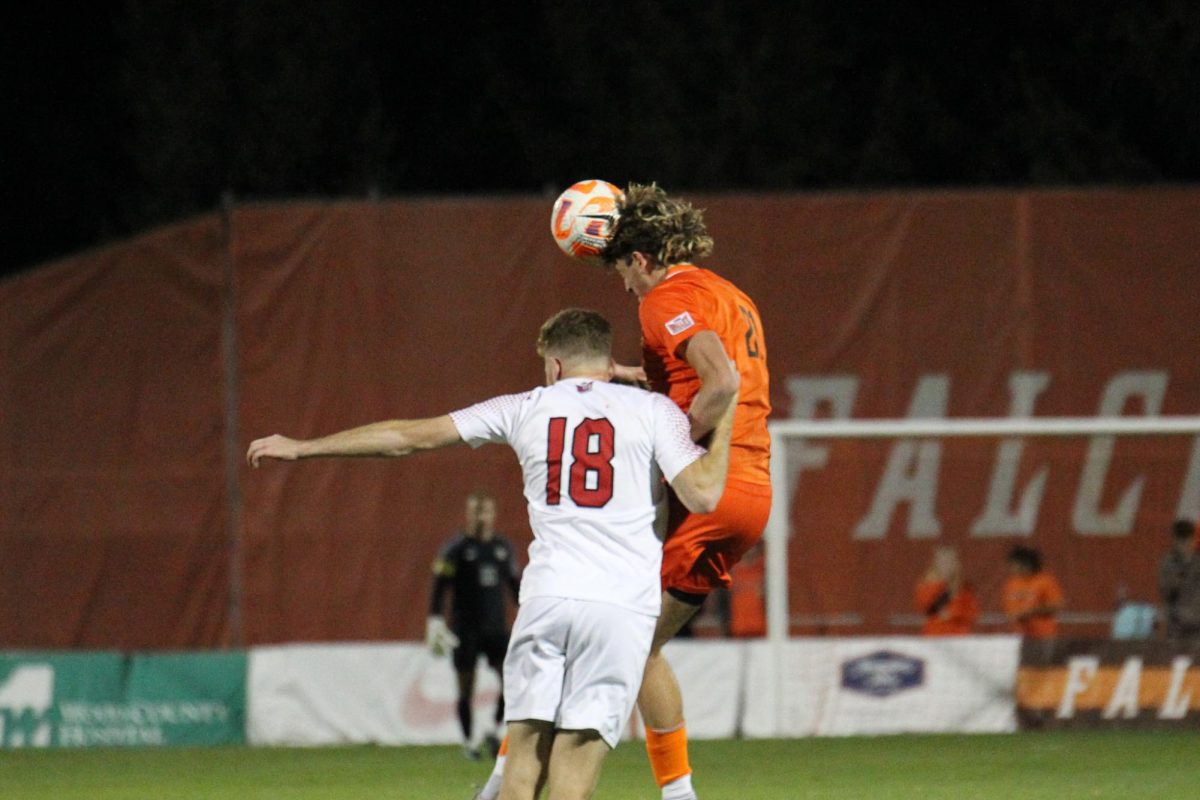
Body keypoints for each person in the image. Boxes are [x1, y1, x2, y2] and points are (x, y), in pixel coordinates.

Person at [247, 308, 737, 800]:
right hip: (620, 608)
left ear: (555, 367)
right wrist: (730, 414)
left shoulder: (524, 405)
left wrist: (304, 448)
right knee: (575, 768)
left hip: (547, 598)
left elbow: (407, 438)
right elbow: (702, 495)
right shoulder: (654, 412)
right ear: (609, 362)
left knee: (521, 766)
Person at [479, 182, 770, 800]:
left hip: (711, 489)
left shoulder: (665, 298)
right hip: (749, 491)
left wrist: (665, 444)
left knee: (597, 629)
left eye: (622, 277)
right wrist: (637, 380)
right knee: (636, 645)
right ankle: (673, 791)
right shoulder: (725, 292)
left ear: (640, 260)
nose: (627, 290)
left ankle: (513, 777)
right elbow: (698, 373)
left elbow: (720, 382)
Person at [428, 490, 520, 760]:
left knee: (510, 680)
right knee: (466, 687)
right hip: (465, 630)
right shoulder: (456, 550)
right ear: (469, 515)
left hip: (496, 629)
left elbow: (515, 587)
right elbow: (438, 587)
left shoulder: (502, 549)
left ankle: (494, 729)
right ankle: (469, 741)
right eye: (477, 512)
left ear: (493, 515)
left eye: (486, 511)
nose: (482, 517)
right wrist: (434, 620)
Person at [913, 546, 979, 636]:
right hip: (935, 637)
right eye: (942, 562)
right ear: (935, 564)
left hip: (959, 637)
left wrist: (954, 613)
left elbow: (973, 613)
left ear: (956, 563)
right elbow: (926, 608)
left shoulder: (964, 588)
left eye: (950, 561)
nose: (946, 565)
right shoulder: (926, 586)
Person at [1001, 545, 1063, 639]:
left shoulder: (1045, 581)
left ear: (1025, 564)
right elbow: (1009, 610)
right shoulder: (1011, 584)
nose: (1010, 568)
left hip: (1043, 636)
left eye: (1013, 564)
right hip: (1019, 636)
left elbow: (1057, 605)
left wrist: (1032, 612)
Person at [1158, 518, 1200, 639]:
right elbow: (1166, 591)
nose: (1186, 545)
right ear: (1175, 541)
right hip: (1177, 625)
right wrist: (1181, 574)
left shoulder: (1198, 562)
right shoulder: (1168, 562)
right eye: (1182, 541)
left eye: (1188, 540)